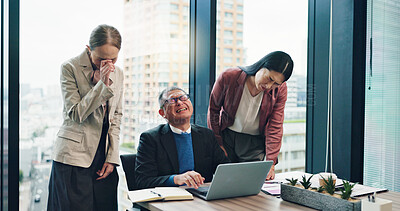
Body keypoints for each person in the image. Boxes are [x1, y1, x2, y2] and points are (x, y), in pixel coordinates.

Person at [47, 24, 124, 211]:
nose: (107, 64)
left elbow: (117, 116)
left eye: (113, 58)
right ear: (89, 50)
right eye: (101, 59)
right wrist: (102, 85)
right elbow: (76, 113)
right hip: (73, 157)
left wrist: (112, 157)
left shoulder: (119, 73)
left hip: (103, 156)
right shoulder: (70, 67)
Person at [207, 51, 294, 180]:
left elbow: (275, 124)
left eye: (276, 83)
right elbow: (213, 110)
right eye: (270, 78)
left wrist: (271, 161)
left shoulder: (280, 89)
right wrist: (217, 143)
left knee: (250, 185)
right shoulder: (229, 76)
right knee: (224, 181)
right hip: (227, 138)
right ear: (261, 66)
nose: (270, 86)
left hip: (254, 144)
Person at [135, 87, 229, 189]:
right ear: (163, 113)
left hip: (201, 196)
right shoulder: (150, 139)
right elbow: (143, 181)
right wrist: (176, 179)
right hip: (169, 199)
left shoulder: (206, 135)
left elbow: (225, 170)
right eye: (172, 100)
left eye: (183, 98)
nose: (179, 103)